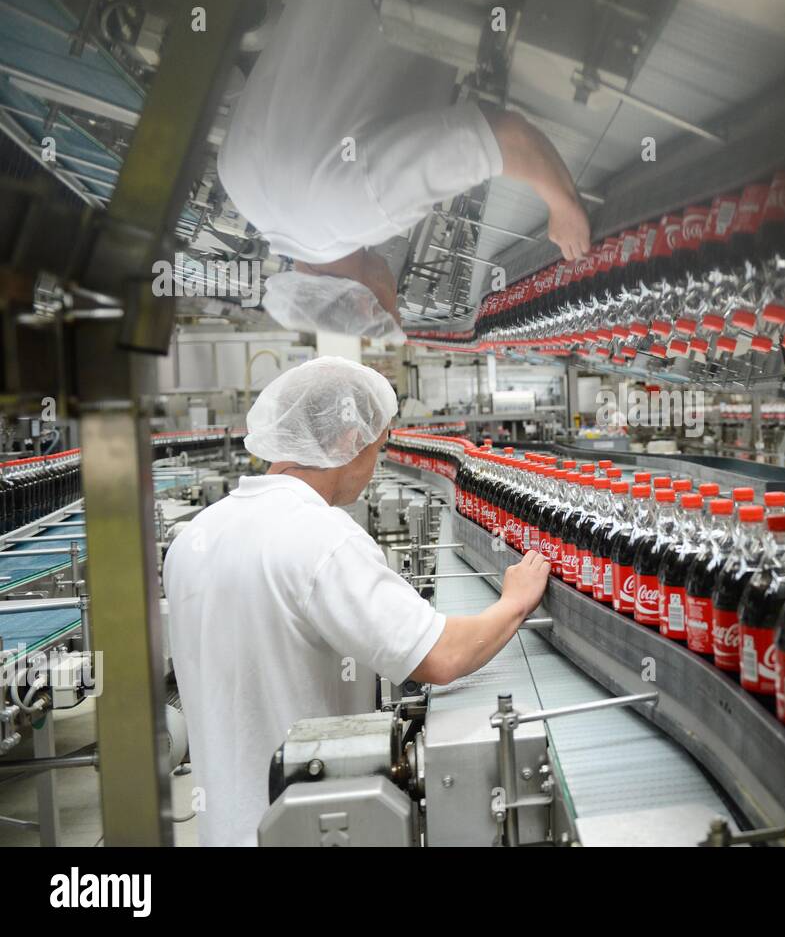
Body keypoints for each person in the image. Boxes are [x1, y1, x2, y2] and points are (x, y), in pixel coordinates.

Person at [164, 356, 550, 846]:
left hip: (225, 830)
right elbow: (441, 655)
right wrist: (515, 602)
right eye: (379, 447)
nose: (376, 465)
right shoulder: (319, 536)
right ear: (350, 442)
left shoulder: (194, 536)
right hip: (311, 828)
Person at [217, 0, 590, 337]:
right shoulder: (236, 179)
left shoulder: (362, 213)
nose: (397, 297)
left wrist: (564, 207)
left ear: (369, 307)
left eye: (395, 310)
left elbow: (508, 138)